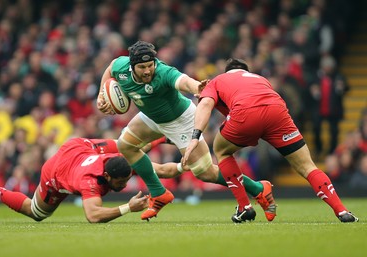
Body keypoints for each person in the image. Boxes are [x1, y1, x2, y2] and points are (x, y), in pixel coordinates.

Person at [97, 41, 277, 221]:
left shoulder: (163, 72)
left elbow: (183, 81)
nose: (147, 71)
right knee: (125, 145)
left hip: (181, 120)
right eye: (142, 67)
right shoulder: (121, 66)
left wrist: (197, 87)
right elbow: (111, 67)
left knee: (205, 173)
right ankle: (159, 193)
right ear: (131, 66)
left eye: (150, 65)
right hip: (152, 118)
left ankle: (258, 188)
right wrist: (101, 95)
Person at [183, 58, 358, 223]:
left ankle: (245, 206)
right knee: (307, 166)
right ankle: (342, 211)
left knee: (221, 149)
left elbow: (205, 105)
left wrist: (195, 136)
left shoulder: (218, 80)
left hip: (246, 113)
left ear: (228, 71)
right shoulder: (260, 78)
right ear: (246, 71)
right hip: (278, 112)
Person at [0, 138, 148, 223]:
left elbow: (137, 149)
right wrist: (128, 207)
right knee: (36, 213)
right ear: (108, 176)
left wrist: (165, 139)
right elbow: (93, 215)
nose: (124, 185)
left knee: (126, 144)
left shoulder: (117, 154)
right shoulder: (89, 181)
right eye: (121, 182)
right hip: (56, 174)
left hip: (77, 148)